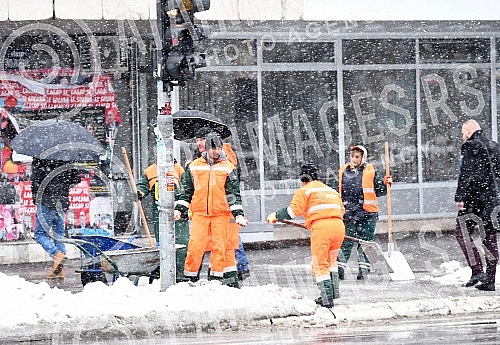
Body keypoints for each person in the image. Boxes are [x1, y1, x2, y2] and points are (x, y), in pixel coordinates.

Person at [175, 132, 248, 287]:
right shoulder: (194, 167)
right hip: (200, 215)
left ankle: (215, 281)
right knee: (195, 247)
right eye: (212, 148)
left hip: (220, 215)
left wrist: (239, 215)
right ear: (206, 148)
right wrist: (180, 209)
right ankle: (189, 280)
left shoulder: (228, 168)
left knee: (219, 248)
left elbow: (233, 194)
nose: (215, 151)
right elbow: (186, 191)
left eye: (218, 148)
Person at [266, 164, 345, 308]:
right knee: (331, 260)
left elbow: (292, 212)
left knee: (320, 264)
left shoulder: (305, 191)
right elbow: (342, 210)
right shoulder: (330, 190)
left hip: (322, 229)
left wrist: (276, 216)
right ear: (318, 176)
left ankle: (327, 298)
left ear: (302, 179)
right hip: (339, 227)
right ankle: (334, 293)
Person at [193, 127, 251, 281]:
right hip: (208, 208)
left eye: (202, 139)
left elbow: (228, 179)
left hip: (223, 207)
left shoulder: (224, 154)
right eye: (197, 140)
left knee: (228, 242)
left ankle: (237, 269)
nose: (199, 143)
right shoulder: (200, 156)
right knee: (214, 242)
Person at [332, 145, 391, 280]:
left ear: (363, 157)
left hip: (367, 213)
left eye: (357, 156)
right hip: (348, 213)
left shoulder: (371, 171)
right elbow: (335, 190)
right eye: (352, 156)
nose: (354, 159)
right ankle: (339, 269)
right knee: (345, 241)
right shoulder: (343, 171)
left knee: (365, 242)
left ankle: (363, 270)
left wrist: (386, 184)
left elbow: (380, 191)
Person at [455, 119, 499, 291]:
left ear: (468, 130)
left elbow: (467, 173)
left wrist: (461, 197)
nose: (462, 135)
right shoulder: (494, 145)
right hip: (493, 201)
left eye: (462, 132)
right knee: (489, 238)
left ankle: (477, 270)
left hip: (475, 200)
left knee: (461, 232)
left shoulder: (470, 145)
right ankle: (490, 280)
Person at [136, 158, 189, 283]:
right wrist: (139, 192)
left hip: (179, 212)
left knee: (181, 244)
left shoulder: (178, 169)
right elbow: (143, 185)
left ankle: (180, 274)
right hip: (160, 213)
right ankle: (166, 274)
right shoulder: (152, 170)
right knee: (164, 245)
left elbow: (187, 189)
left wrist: (185, 208)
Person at [31, 158, 82, 279]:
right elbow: (76, 179)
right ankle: (59, 270)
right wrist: (63, 186)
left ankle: (56, 255)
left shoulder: (41, 159)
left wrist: (36, 198)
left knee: (40, 234)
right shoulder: (66, 158)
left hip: (46, 201)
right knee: (58, 236)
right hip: (61, 202)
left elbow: (35, 181)